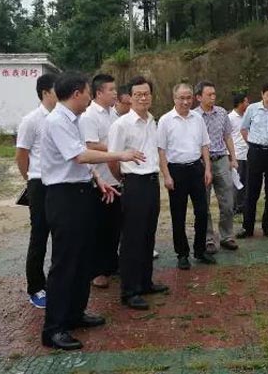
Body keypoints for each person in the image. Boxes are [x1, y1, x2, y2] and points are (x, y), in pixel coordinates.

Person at [40, 72, 144, 350]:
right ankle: (54, 328)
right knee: (65, 263)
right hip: (63, 197)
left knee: (82, 258)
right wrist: (120, 154)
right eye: (88, 91)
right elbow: (80, 155)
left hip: (81, 192)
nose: (90, 96)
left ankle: (75, 314)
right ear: (77, 93)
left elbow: (79, 161)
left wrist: (97, 179)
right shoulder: (57, 121)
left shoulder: (73, 120)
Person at [108, 76, 169, 311]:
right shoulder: (121, 125)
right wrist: (124, 179)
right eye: (138, 95)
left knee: (148, 235)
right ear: (130, 98)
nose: (143, 98)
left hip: (151, 182)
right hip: (133, 183)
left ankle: (145, 282)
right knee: (132, 238)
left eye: (146, 94)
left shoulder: (152, 120)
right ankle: (129, 291)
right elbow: (113, 158)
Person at [158, 83, 217, 270]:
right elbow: (161, 150)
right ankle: (182, 254)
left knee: (202, 212)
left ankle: (200, 250)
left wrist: (207, 169)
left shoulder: (197, 118)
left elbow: (204, 145)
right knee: (178, 214)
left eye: (188, 98)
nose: (185, 102)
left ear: (193, 98)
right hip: (176, 171)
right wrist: (166, 175)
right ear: (174, 98)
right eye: (181, 98)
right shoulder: (165, 120)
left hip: (196, 169)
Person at [15, 72, 59, 309]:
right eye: (56, 90)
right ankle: (36, 287)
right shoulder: (31, 120)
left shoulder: (63, 118)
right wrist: (30, 179)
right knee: (39, 236)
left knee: (60, 234)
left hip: (59, 184)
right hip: (39, 183)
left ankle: (56, 281)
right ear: (45, 93)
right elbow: (21, 155)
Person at [80, 74, 123, 289]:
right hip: (99, 179)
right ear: (98, 93)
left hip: (115, 177)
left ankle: (111, 264)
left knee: (114, 225)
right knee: (98, 227)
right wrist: (117, 149)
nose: (115, 93)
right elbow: (90, 146)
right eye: (111, 90)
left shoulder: (113, 113)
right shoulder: (89, 116)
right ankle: (97, 271)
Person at [238, 82, 268, 239]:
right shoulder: (252, 109)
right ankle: (247, 227)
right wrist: (253, 143)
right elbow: (244, 128)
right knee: (251, 191)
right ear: (262, 95)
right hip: (255, 152)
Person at [195, 81, 239, 252]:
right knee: (203, 202)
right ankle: (208, 238)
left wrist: (233, 158)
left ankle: (227, 235)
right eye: (209, 94)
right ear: (199, 97)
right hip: (201, 162)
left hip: (221, 159)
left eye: (214, 94)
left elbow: (227, 136)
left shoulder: (221, 113)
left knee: (228, 201)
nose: (213, 97)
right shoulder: (193, 116)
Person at [228, 93, 249, 214]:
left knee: (246, 181)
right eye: (246, 102)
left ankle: (243, 205)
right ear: (240, 103)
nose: (248, 104)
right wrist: (231, 157)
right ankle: (234, 206)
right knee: (236, 181)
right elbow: (227, 137)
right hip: (237, 154)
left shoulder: (247, 116)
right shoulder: (230, 118)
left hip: (247, 153)